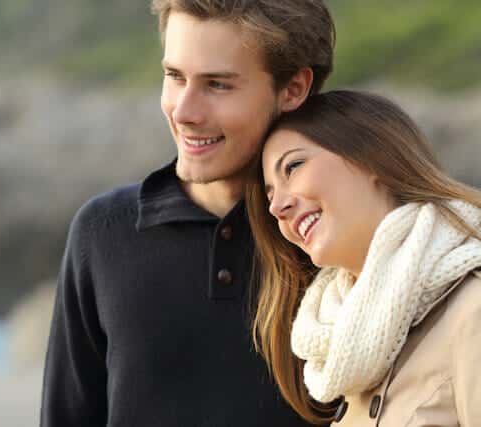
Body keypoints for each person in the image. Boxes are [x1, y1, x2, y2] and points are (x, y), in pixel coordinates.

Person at [40, 1, 335, 426]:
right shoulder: (103, 233)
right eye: (174, 77)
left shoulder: (338, 240)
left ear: (293, 89)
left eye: (217, 85)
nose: (184, 111)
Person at [247, 90, 481, 426]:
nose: (276, 206)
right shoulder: (346, 342)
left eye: (293, 167)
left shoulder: (472, 309)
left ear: (373, 158)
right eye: (270, 193)